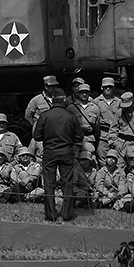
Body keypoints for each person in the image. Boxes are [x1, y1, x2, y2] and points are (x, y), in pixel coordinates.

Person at [32, 88, 83, 222]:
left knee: (49, 184)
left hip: (50, 152)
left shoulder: (45, 116)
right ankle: (66, 214)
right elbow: (79, 137)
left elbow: (36, 136)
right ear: (64, 99)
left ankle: (51, 214)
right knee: (68, 184)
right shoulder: (71, 116)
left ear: (52, 100)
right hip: (66, 152)